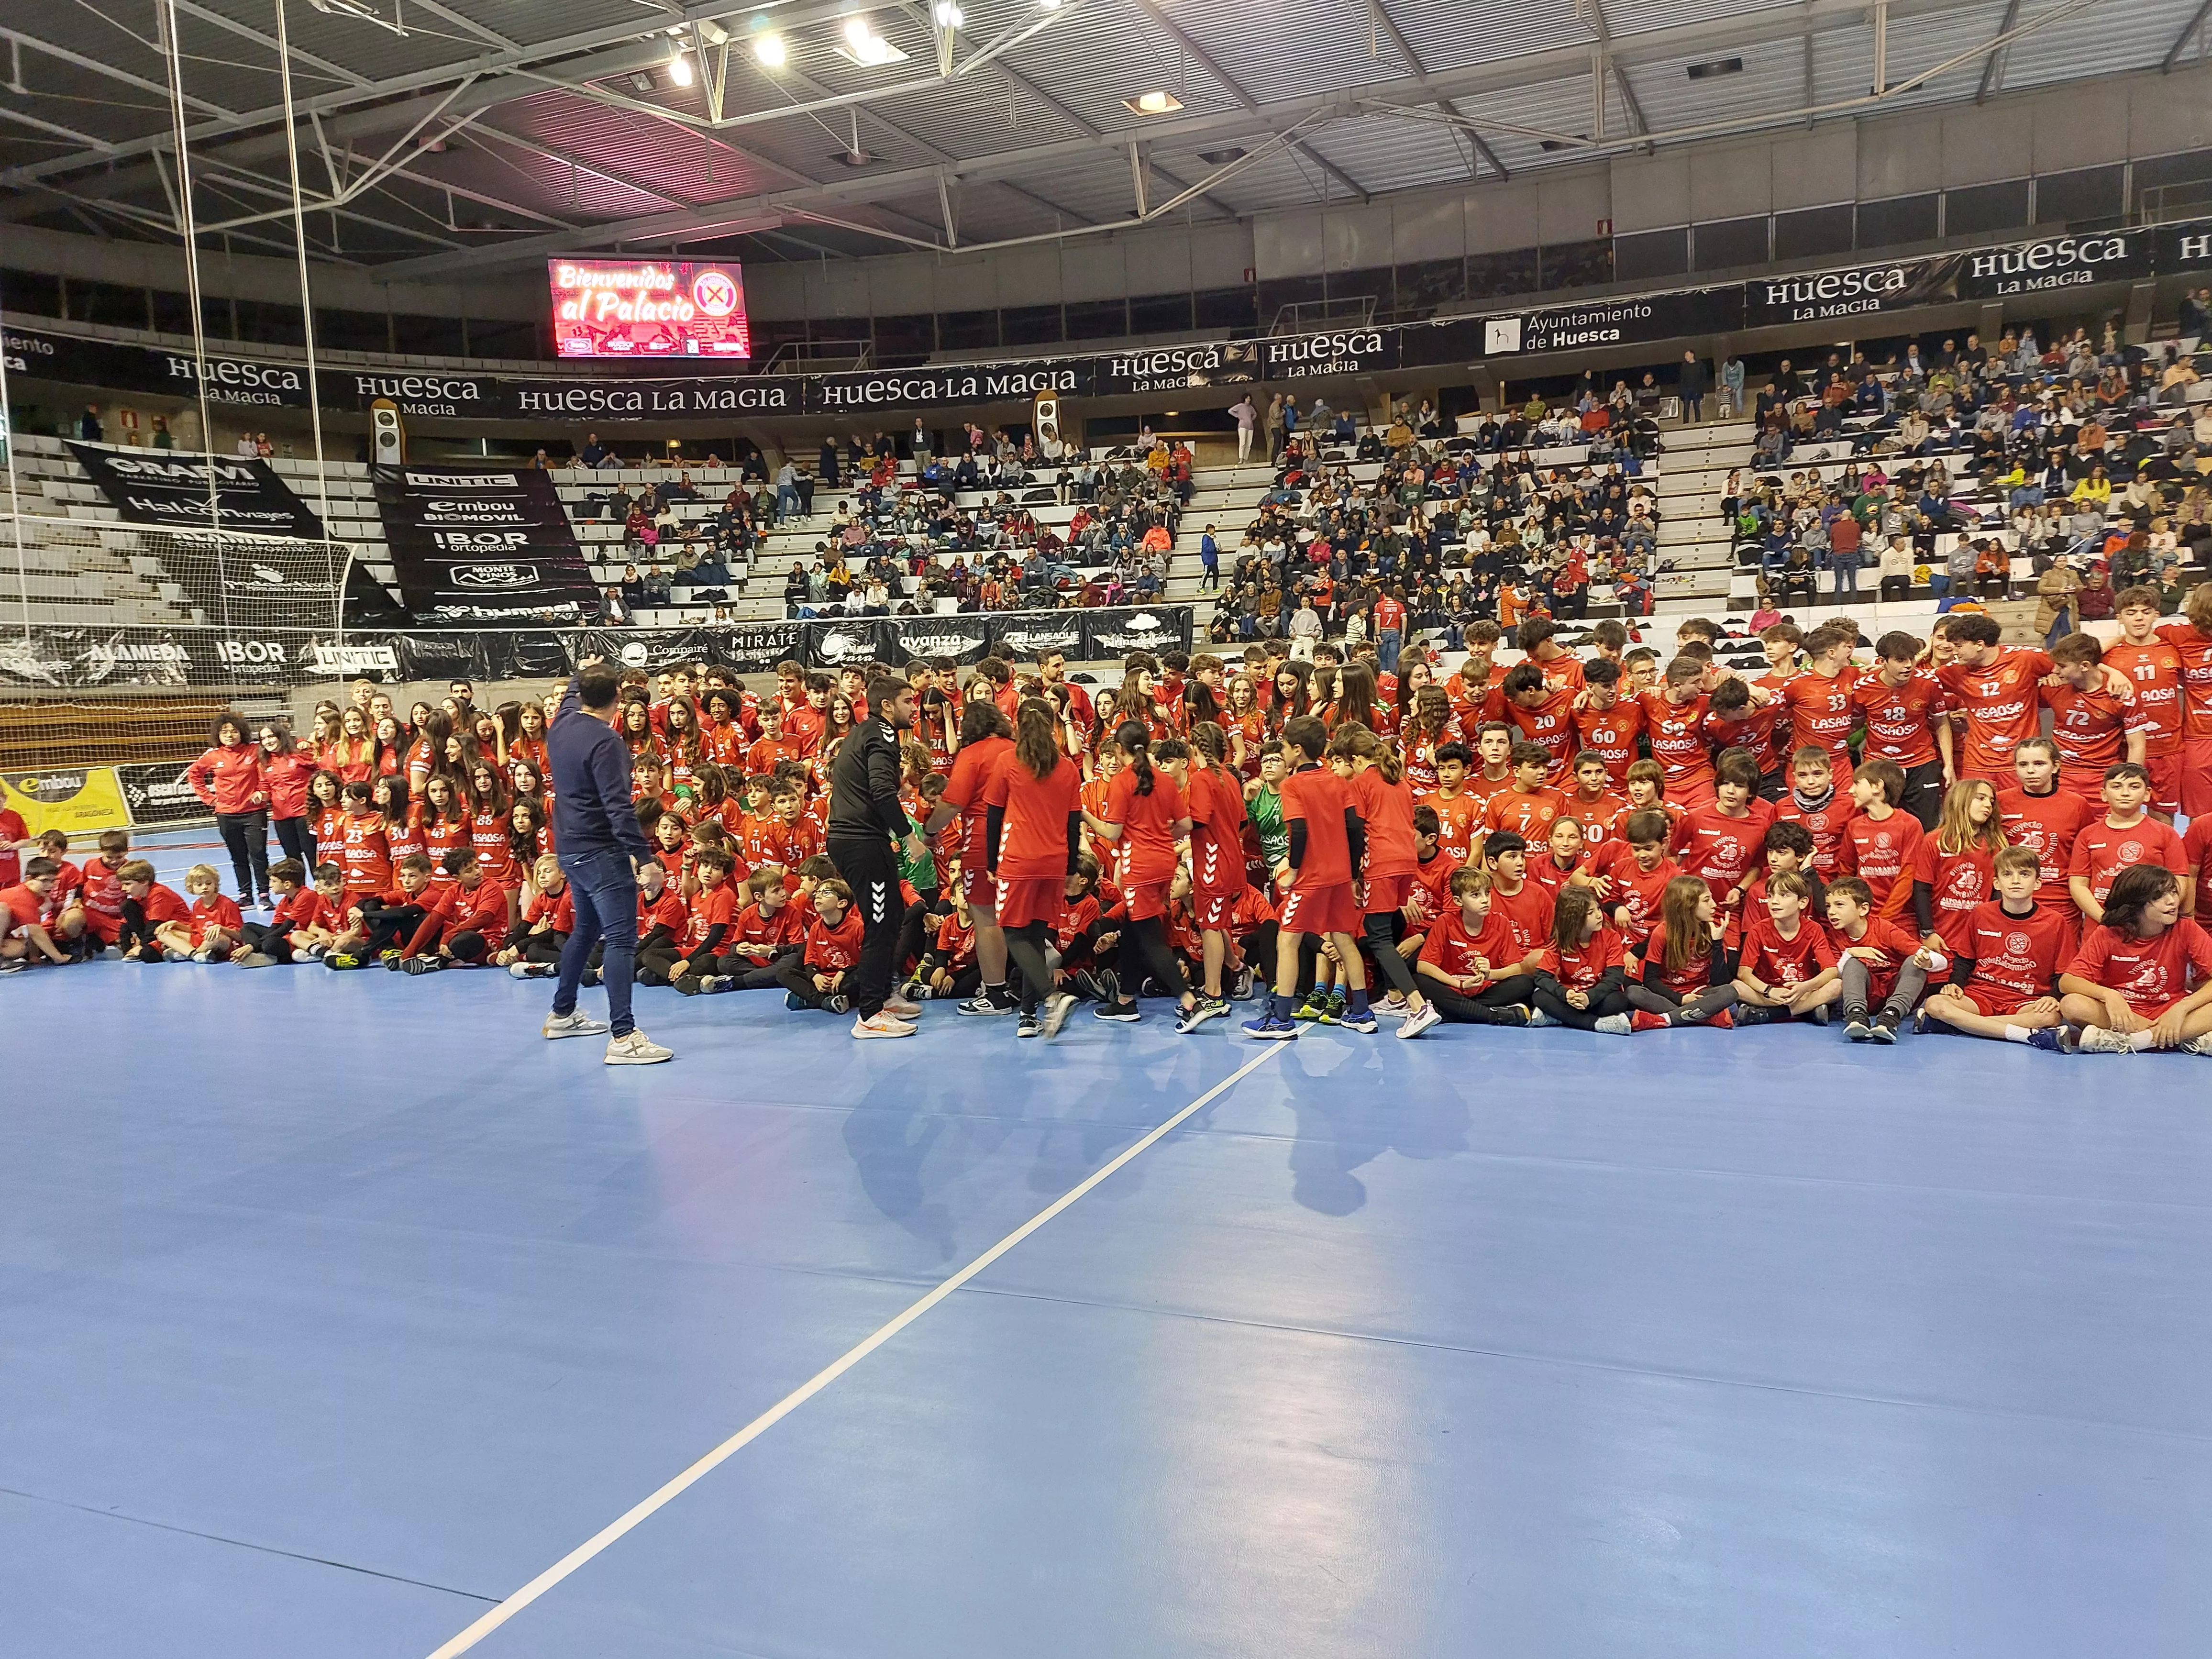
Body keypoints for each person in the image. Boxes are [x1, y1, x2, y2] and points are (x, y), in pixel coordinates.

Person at [544, 658, 672, 1063]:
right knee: (620, 939)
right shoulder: (607, 742)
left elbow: (568, 695)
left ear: (580, 694)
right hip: (601, 851)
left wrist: (581, 669)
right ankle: (623, 1035)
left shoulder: (562, 723)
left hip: (569, 847)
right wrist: (645, 858)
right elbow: (618, 808)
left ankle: (562, 1013)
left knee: (585, 930)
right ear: (618, 698)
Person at [828, 676, 940, 1039]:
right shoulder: (884, 734)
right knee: (880, 924)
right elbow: (878, 789)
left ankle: (883, 997)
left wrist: (899, 788)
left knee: (892, 915)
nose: (914, 707)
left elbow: (869, 784)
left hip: (861, 839)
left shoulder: (863, 733)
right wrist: (911, 838)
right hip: (861, 842)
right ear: (888, 705)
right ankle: (870, 1015)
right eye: (909, 701)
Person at [1245, 715, 1371, 1038]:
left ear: (1297, 750)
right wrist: (1354, 872)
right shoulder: (1338, 780)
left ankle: (1282, 1020)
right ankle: (1361, 1012)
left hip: (1311, 877)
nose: (1283, 751)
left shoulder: (1292, 785)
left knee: (1287, 940)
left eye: (1285, 747)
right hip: (1341, 875)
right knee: (1343, 937)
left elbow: (1299, 830)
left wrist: (1293, 871)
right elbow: (1356, 828)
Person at [982, 698, 1084, 1040]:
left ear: (1018, 724)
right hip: (1054, 862)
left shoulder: (1007, 762)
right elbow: (1074, 824)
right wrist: (1070, 866)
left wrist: (991, 862)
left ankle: (1051, 998)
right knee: (1036, 937)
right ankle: (1028, 1017)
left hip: (1019, 859)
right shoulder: (1069, 768)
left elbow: (994, 815)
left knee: (1014, 934)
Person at [1918, 846, 2074, 1045]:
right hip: (1980, 995)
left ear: (2038, 883)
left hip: (2025, 999)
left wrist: (2054, 996)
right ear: (1997, 883)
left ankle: (1959, 1025)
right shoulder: (1981, 914)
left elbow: (2063, 973)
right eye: (2007, 874)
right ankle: (2025, 1035)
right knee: (1935, 1003)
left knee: (2050, 1016)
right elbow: (1965, 959)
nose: (2016, 880)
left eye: (2024, 874)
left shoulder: (2055, 922)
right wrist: (1956, 984)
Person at [2056, 863, 2212, 1054]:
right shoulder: (2108, 933)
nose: (2172, 901)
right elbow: (2068, 982)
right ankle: (2181, 1038)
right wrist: (2109, 995)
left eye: (2173, 892)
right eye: (2159, 896)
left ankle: (2137, 1041)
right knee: (2072, 1004)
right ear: (2136, 903)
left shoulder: (2186, 929)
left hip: (2170, 1011)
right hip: (2125, 1014)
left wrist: (2182, 1009)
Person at [188, 710, 271, 910]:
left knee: (258, 854)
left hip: (254, 812)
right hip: (226, 814)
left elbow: (267, 772)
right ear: (218, 735)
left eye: (234, 731)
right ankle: (245, 895)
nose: (229, 735)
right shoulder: (213, 755)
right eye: (224, 732)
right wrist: (210, 800)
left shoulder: (255, 750)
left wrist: (261, 791)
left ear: (242, 732)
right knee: (238, 856)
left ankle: (264, 894)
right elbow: (194, 775)